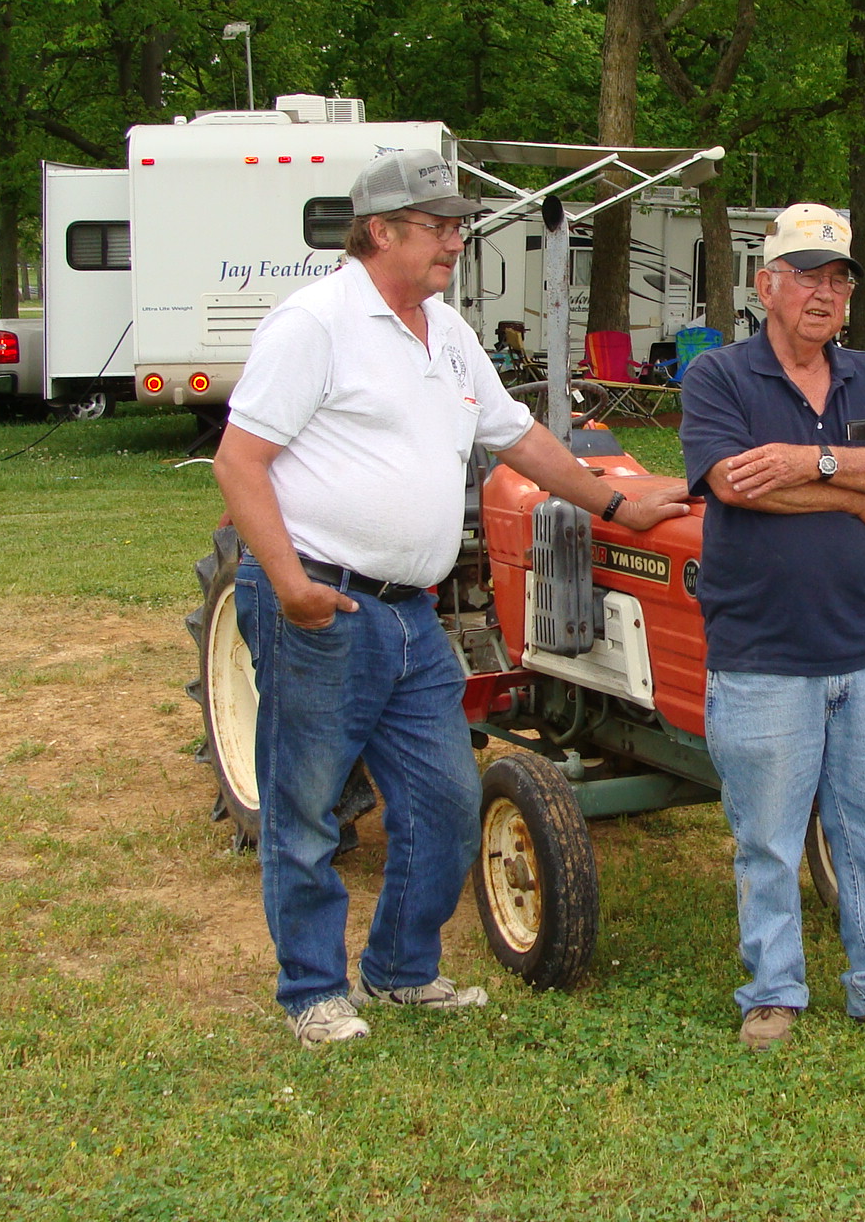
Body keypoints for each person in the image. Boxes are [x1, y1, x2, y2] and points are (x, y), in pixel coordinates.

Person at [213, 148, 689, 1048]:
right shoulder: (315, 324)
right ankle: (313, 991)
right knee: (306, 806)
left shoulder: (448, 329)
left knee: (441, 800)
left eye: (459, 227)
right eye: (437, 227)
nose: (455, 242)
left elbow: (517, 437)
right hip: (326, 604)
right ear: (379, 232)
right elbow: (241, 462)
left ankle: (400, 972)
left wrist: (618, 500)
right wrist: (291, 587)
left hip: (412, 613)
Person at [679, 203, 865, 1051]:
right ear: (767, 285)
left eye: (837, 278)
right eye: (805, 276)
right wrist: (863, 494)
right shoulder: (719, 377)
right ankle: (773, 991)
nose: (823, 294)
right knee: (767, 837)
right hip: (763, 652)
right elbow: (731, 485)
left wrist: (812, 461)